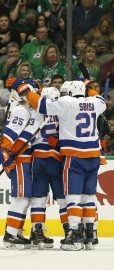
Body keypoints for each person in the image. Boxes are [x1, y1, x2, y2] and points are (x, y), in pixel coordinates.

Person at [16, 80, 106, 251]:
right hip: (93, 155)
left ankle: (73, 234)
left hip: (73, 156)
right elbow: (100, 98)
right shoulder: (95, 102)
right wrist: (91, 88)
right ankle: (90, 234)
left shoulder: (65, 103)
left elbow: (40, 105)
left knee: (70, 197)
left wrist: (26, 91)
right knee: (88, 198)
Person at [0, 83, 42, 249]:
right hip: (20, 159)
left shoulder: (25, 110)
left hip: (23, 158)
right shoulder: (21, 111)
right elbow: (9, 136)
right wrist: (6, 156)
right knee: (22, 197)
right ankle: (11, 234)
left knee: (24, 197)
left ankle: (15, 232)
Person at [30, 86, 68, 248]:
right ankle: (69, 232)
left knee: (38, 198)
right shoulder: (62, 113)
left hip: (38, 158)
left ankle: (37, 234)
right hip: (55, 159)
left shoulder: (34, 111)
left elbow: (29, 136)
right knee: (63, 199)